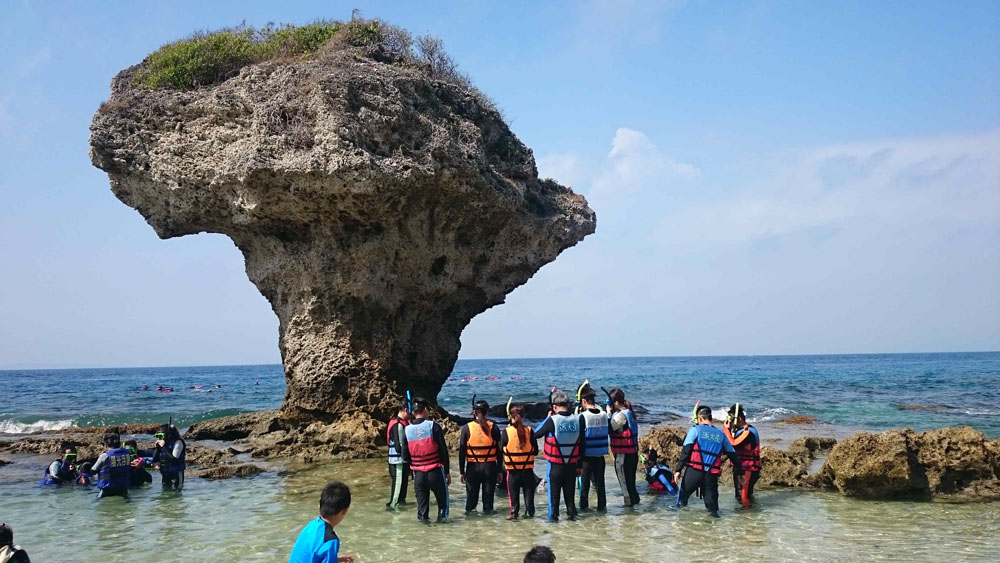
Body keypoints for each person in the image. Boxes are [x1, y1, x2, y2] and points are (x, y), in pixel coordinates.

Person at [673, 405, 740, 516]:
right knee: (712, 507)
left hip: (694, 472)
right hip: (711, 475)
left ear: (700, 418)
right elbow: (734, 456)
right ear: (710, 417)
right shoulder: (721, 435)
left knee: (682, 500)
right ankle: (713, 529)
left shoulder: (695, 430)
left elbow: (686, 451)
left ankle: (678, 526)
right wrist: (741, 472)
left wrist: (678, 470)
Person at [532, 390, 583, 521]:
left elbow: (534, 434)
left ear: (554, 407)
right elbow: (582, 444)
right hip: (572, 466)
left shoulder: (551, 421)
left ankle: (554, 532)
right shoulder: (578, 420)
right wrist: (580, 466)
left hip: (555, 467)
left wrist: (547, 418)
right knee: (570, 502)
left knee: (553, 503)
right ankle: (574, 529)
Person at [400, 397, 451, 521]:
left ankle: (424, 535)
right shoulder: (434, 426)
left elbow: (405, 455)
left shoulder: (406, 430)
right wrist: (448, 472)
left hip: (419, 475)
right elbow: (443, 451)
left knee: (422, 511)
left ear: (413, 412)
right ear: (426, 410)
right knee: (443, 507)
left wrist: (411, 469)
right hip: (435, 472)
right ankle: (441, 532)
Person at [289, 481, 354, 563]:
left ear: (319, 507)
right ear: (344, 511)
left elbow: (309, 555)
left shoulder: (311, 526)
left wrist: (334, 559)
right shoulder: (330, 541)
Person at [458, 399, 502, 514]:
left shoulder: (467, 428)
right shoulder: (494, 427)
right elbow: (499, 451)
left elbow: (462, 451)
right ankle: (488, 528)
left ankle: (471, 527)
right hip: (490, 468)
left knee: (471, 502)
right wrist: (499, 471)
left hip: (473, 468)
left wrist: (462, 471)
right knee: (488, 503)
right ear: (487, 412)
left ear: (474, 412)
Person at [501, 402, 538, 518]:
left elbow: (500, 450)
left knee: (514, 508)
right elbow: (535, 451)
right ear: (524, 416)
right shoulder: (530, 430)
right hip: (527, 472)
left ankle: (514, 530)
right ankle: (531, 526)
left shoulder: (506, 432)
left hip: (513, 473)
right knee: (529, 506)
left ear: (511, 416)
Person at [577, 383, 608, 511]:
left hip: (586, 458)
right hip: (600, 457)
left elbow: (580, 440)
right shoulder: (604, 414)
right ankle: (602, 510)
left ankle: (584, 512)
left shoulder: (583, 417)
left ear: (584, 401)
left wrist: (578, 463)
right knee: (600, 486)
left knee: (584, 488)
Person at [724, 403, 761, 507]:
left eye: (730, 419)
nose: (729, 422)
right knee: (743, 495)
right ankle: (749, 516)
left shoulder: (748, 432)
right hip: (742, 468)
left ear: (739, 419)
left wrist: (726, 430)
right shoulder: (740, 431)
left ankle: (746, 519)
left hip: (748, 469)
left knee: (743, 496)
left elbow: (733, 444)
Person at [608, 387, 640, 506]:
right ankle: (635, 508)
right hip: (632, 454)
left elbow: (608, 428)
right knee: (631, 484)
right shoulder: (629, 412)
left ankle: (629, 515)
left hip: (623, 456)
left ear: (616, 403)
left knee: (626, 486)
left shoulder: (620, 416)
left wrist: (607, 413)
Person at [385, 402, 411, 509]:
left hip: (401, 462)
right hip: (398, 462)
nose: (410, 414)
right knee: (398, 488)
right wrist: (409, 458)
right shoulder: (398, 425)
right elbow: (398, 446)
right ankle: (393, 507)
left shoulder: (400, 423)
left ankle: (401, 507)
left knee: (402, 488)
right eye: (409, 412)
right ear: (405, 410)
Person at [90, 434, 131, 499]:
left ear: (106, 445)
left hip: (108, 489)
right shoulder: (127, 453)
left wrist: (101, 456)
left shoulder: (105, 455)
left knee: (96, 503)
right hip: (123, 488)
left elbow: (93, 470)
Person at [152, 424, 185, 490]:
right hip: (165, 472)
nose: (161, 438)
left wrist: (163, 447)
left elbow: (174, 459)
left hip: (176, 473)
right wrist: (158, 448)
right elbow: (156, 458)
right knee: (165, 494)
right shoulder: (164, 443)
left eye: (162, 435)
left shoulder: (178, 442)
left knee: (176, 493)